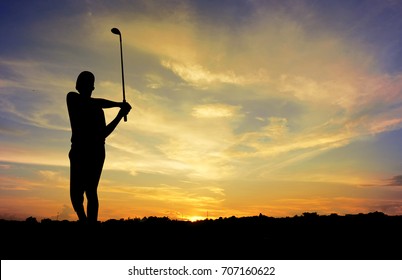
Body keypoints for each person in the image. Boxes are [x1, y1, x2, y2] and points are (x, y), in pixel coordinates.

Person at [66, 71, 131, 224]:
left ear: (92, 87)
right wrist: (118, 105)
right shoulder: (72, 97)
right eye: (81, 81)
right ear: (77, 85)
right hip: (79, 150)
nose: (82, 84)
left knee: (90, 191)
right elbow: (93, 102)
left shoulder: (98, 111)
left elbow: (104, 134)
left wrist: (119, 115)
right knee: (76, 195)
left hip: (94, 152)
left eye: (87, 82)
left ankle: (90, 225)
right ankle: (84, 221)